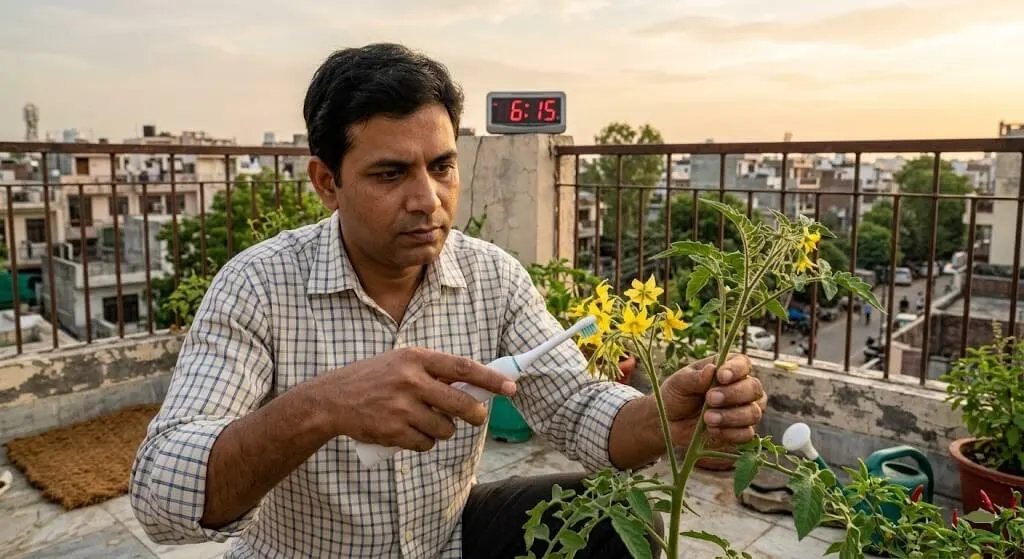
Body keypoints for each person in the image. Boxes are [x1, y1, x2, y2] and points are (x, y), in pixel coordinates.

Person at [129, 43, 767, 559]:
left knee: (615, 517)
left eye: (442, 166)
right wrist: (322, 406)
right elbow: (161, 496)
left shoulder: (491, 277)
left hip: (445, 540)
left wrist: (665, 419)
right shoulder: (258, 286)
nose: (428, 199)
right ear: (327, 181)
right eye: (390, 173)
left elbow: (576, 408)